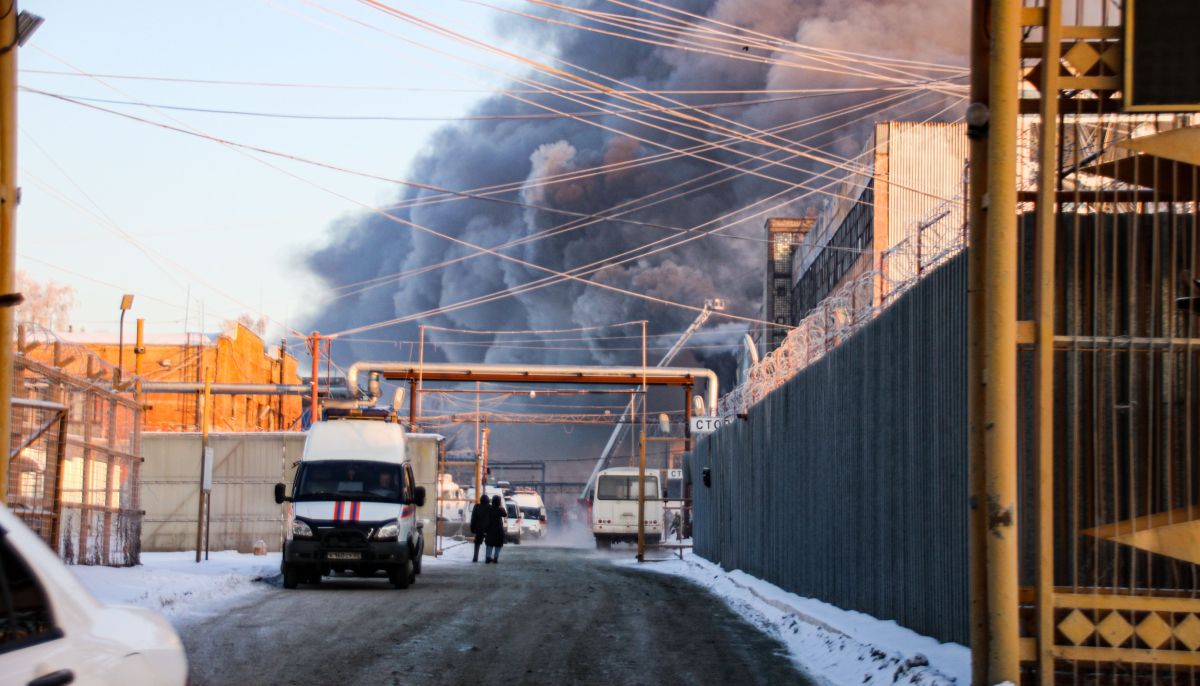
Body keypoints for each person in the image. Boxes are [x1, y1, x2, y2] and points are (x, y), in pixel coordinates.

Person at [484, 494, 506, 563]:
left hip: (490, 530)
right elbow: (505, 514)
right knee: (498, 544)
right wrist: (501, 507)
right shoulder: (500, 510)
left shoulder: (489, 508)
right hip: (498, 530)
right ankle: (495, 558)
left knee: (489, 544)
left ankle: (488, 557)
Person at [469, 494, 489, 563]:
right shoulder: (490, 507)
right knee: (488, 544)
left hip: (479, 529)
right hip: (488, 529)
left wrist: (472, 528)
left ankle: (475, 557)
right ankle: (487, 558)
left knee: (477, 544)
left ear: (481, 500)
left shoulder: (477, 507)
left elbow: (473, 518)